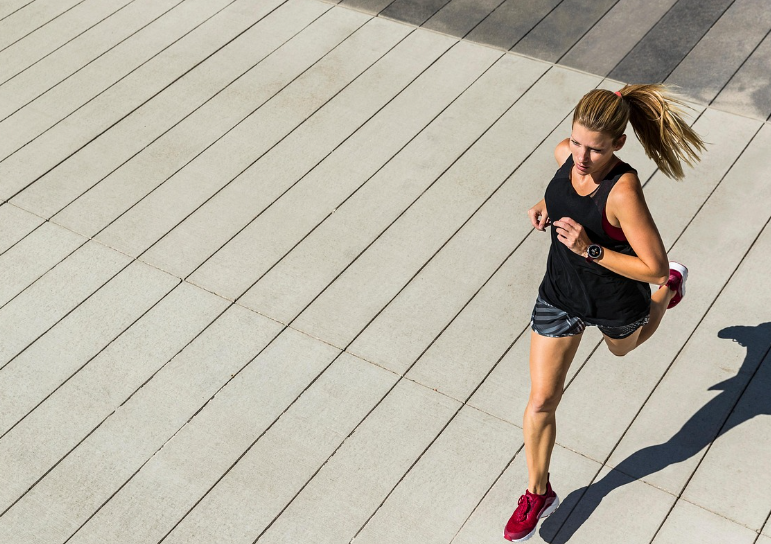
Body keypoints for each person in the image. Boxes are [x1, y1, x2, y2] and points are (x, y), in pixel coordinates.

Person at [503, 84, 705, 542]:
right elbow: (561, 186)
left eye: (594, 148)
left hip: (616, 297)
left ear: (618, 144)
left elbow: (650, 265)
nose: (581, 157)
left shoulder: (623, 190)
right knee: (540, 401)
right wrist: (544, 204)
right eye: (576, 142)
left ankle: (673, 291)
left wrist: (589, 248)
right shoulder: (566, 155)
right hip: (560, 293)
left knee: (623, 349)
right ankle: (538, 492)